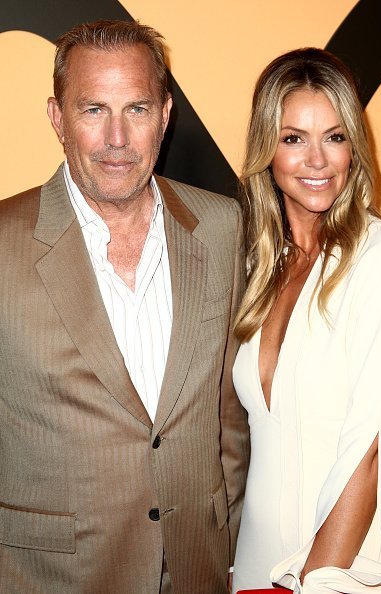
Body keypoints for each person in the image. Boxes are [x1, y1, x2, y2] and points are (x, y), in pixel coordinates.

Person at [0, 19, 250, 594]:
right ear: (57, 118)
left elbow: (227, 416)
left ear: (165, 115)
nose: (117, 138)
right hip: (53, 578)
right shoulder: (5, 243)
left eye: (136, 109)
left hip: (197, 570)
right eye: (93, 110)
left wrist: (227, 541)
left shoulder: (221, 226)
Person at [231, 48, 381, 594]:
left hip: (338, 573)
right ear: (266, 149)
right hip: (255, 565)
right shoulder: (260, 266)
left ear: (354, 146)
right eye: (294, 138)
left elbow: (370, 455)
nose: (318, 160)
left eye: (335, 136)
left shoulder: (380, 260)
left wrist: (310, 584)